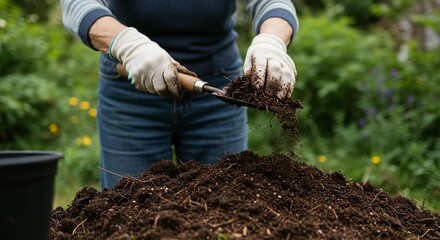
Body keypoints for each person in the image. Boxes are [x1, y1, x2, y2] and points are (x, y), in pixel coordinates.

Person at [61, 0, 298, 189]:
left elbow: (273, 2)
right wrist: (127, 44)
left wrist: (271, 40)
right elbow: (77, 3)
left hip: (218, 89)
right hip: (131, 86)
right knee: (128, 206)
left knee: (225, 204)